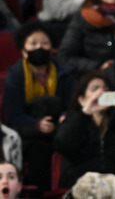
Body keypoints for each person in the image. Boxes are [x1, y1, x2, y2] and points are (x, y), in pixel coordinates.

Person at [3, 21, 73, 192]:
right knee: (39, 150)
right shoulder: (15, 78)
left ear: (52, 49)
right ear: (23, 51)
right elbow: (13, 116)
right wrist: (37, 125)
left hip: (59, 128)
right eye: (33, 43)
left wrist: (65, 116)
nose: (39, 47)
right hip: (27, 132)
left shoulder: (65, 74)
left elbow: (72, 105)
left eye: (45, 43)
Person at [53, 70, 115, 188]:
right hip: (81, 187)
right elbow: (63, 145)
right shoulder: (72, 121)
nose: (101, 92)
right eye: (95, 89)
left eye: (105, 88)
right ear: (81, 99)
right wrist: (85, 114)